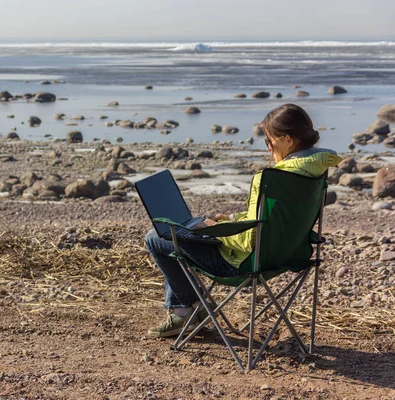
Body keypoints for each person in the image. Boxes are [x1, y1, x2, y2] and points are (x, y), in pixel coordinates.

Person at [145, 103, 342, 338]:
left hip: (244, 262)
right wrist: (230, 219)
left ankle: (184, 310)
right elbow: (267, 221)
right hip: (287, 255)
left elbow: (250, 239)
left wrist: (213, 229)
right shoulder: (316, 170)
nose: (268, 147)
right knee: (174, 234)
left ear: (288, 139)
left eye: (269, 141)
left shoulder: (272, 178)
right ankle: (192, 308)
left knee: (156, 236)